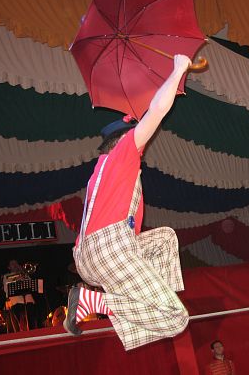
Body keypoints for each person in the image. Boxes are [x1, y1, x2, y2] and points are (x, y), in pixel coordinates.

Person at [63, 55, 192, 350]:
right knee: (177, 319)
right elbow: (157, 111)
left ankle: (146, 305)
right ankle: (96, 302)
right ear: (123, 140)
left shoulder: (103, 172)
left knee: (165, 239)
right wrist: (178, 70)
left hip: (93, 253)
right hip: (110, 249)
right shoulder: (123, 155)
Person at [2, 259, 37, 331]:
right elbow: (6, 289)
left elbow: (31, 284)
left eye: (16, 263)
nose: (15, 265)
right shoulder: (6, 276)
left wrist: (23, 273)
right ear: (9, 267)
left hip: (28, 300)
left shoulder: (23, 273)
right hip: (15, 302)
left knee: (32, 321)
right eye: (12, 264)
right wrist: (17, 279)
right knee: (21, 323)